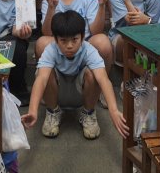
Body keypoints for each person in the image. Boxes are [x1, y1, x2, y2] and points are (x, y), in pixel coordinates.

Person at [21, 11, 128, 140]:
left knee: (94, 74)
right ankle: (53, 112)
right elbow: (41, 80)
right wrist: (32, 111)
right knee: (43, 73)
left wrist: (114, 110)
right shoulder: (51, 50)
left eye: (74, 39)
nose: (69, 46)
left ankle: (88, 113)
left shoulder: (89, 50)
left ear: (82, 37)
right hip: (57, 93)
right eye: (63, 40)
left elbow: (104, 80)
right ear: (56, 40)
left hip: (81, 94)